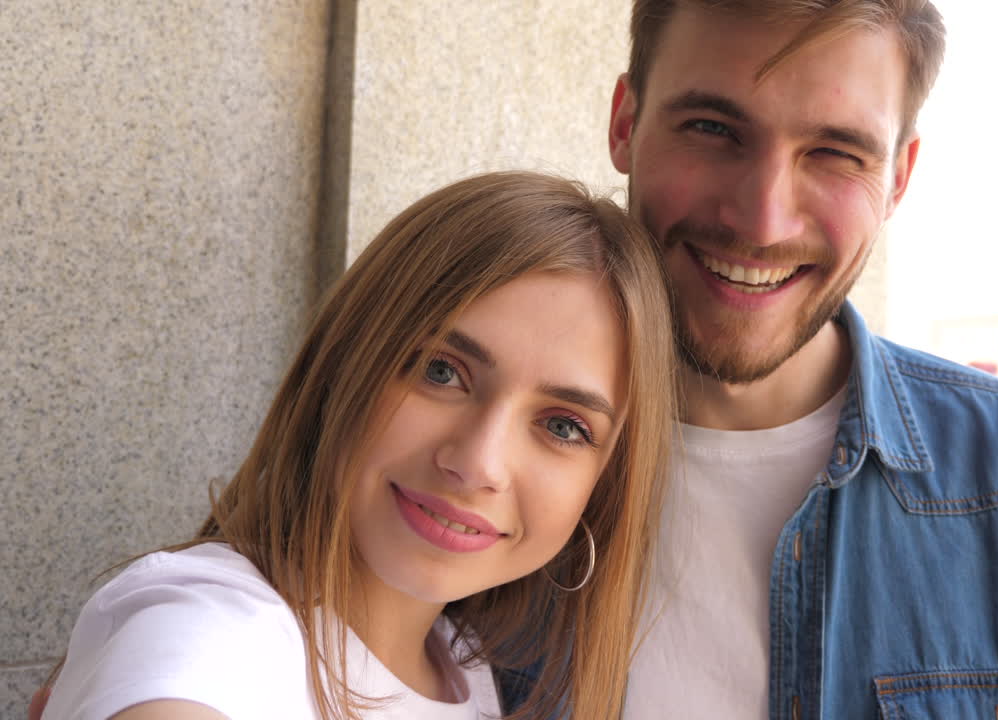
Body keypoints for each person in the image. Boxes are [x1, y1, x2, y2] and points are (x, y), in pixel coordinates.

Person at [566, 0, 998, 717]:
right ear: (625, 123)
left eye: (836, 153)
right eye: (713, 129)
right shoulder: (478, 461)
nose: (762, 220)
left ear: (897, 179)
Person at [39, 171, 677, 720]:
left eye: (564, 426)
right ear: (347, 363)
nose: (479, 462)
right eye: (439, 371)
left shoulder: (465, 676)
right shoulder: (209, 628)